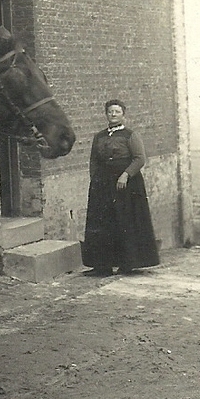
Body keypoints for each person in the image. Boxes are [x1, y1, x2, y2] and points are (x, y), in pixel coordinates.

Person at [82, 99, 160, 276]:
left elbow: (140, 158)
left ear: (123, 114)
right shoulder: (99, 137)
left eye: (117, 111)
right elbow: (94, 160)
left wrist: (125, 174)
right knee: (102, 222)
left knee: (125, 221)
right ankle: (102, 265)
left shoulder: (130, 135)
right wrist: (95, 179)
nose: (113, 114)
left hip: (126, 184)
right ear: (106, 114)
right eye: (110, 111)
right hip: (103, 184)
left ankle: (128, 263)